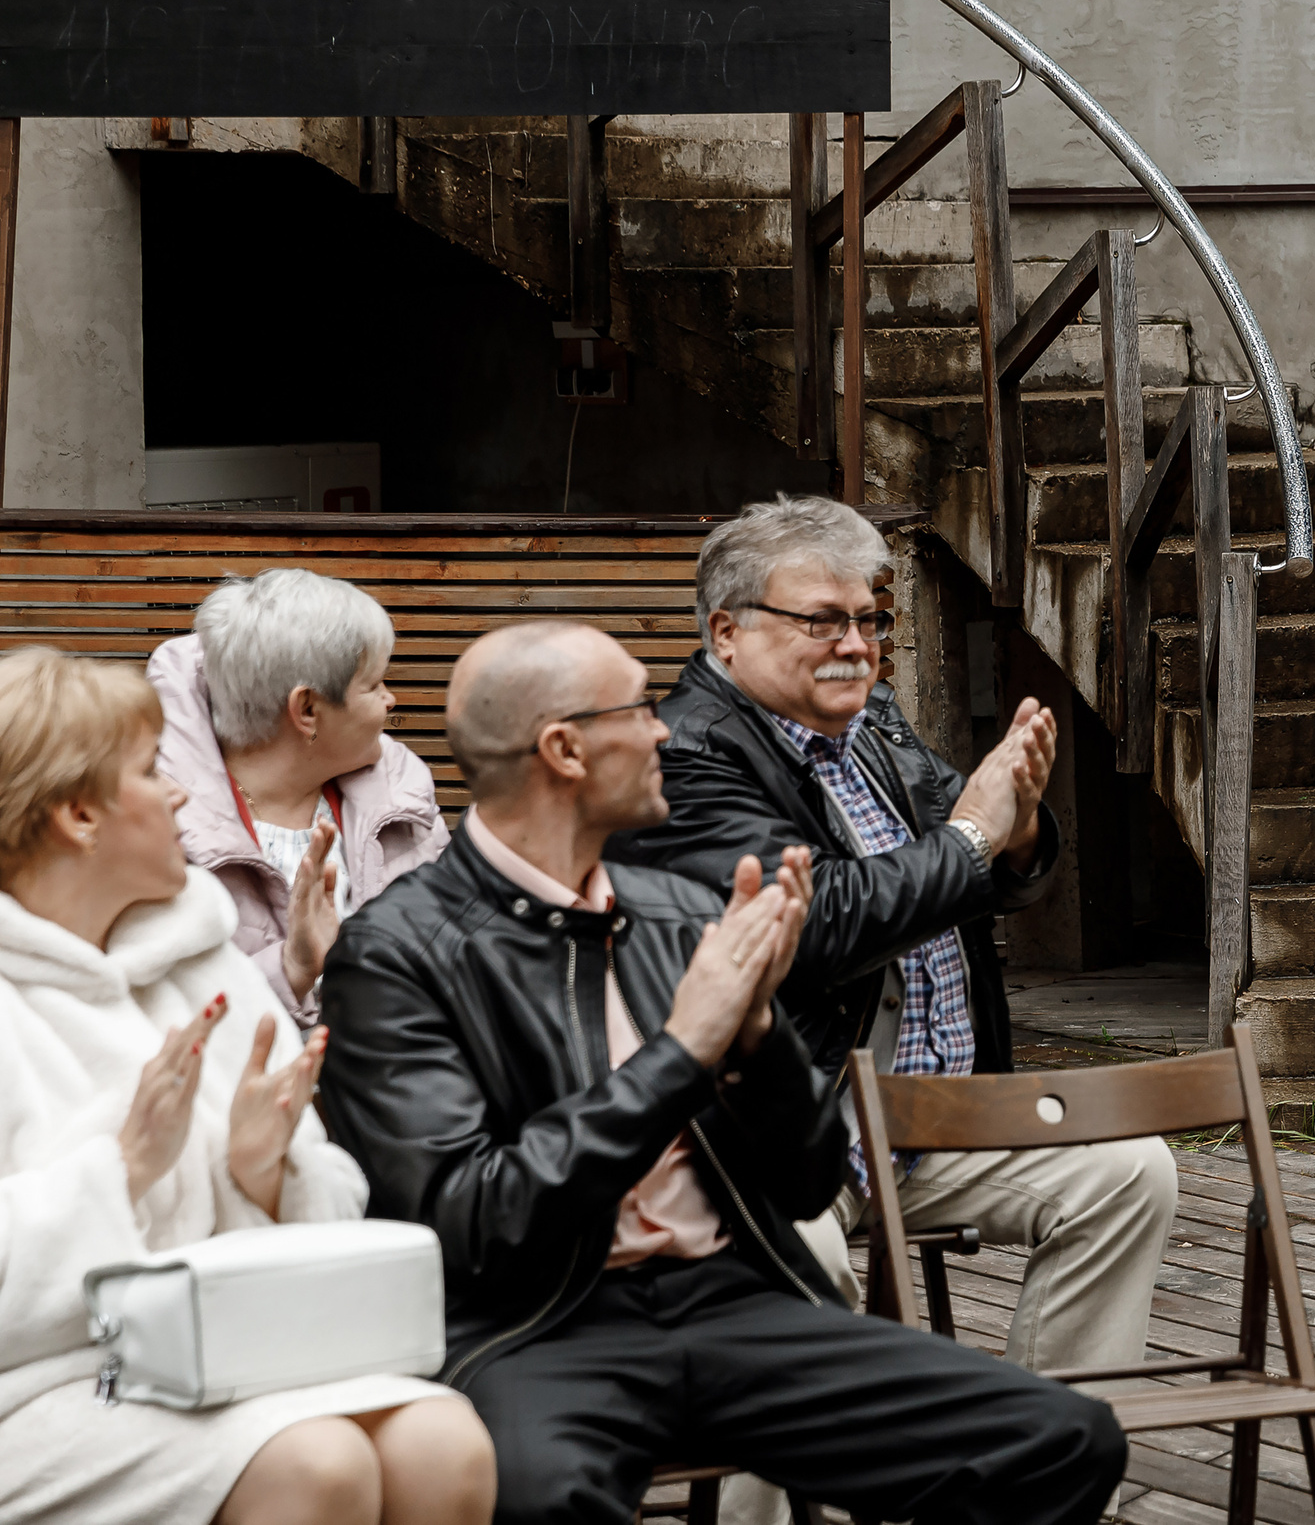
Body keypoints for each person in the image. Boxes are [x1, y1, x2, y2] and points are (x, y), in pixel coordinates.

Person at [318, 620, 1124, 1525]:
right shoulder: (396, 952)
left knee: (1061, 1438)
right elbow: (470, 1221)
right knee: (539, 1495)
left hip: (730, 1300)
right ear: (564, 749)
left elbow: (810, 1175)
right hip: (534, 1327)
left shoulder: (679, 911)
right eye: (638, 708)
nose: (666, 729)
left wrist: (754, 1040)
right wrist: (682, 1053)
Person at [607, 495, 1180, 1381]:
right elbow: (820, 921)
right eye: (822, 621)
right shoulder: (684, 756)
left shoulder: (870, 722)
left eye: (871, 619)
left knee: (1129, 1171)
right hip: (783, 1135)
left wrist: (1020, 824)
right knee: (804, 1261)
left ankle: (1049, 1463)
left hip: (933, 1117)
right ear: (727, 633)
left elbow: (981, 853)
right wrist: (976, 835)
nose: (857, 645)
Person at [0, 646, 494, 1525]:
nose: (183, 792)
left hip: (232, 1354)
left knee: (442, 1437)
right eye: (151, 772)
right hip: (39, 1390)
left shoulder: (194, 957)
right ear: (79, 815)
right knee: (318, 1464)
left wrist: (261, 1172)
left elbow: (327, 1204)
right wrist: (119, 1172)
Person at [148, 569, 447, 1030]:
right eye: (373, 685)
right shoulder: (154, 825)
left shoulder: (401, 790)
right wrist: (291, 969)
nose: (390, 700)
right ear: (307, 710)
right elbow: (151, 1017)